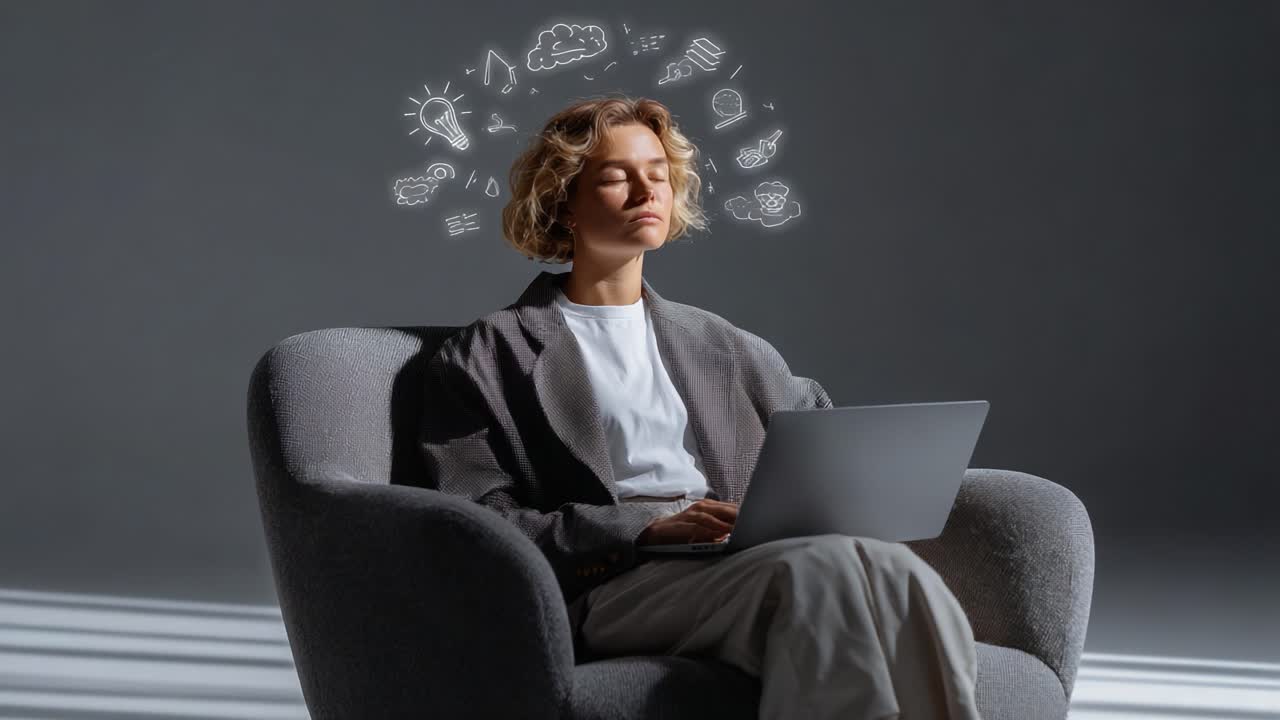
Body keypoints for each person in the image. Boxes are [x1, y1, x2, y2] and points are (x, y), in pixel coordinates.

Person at [418, 95, 982, 719]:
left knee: (895, 568)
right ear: (564, 203)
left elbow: (817, 438)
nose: (646, 192)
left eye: (658, 175)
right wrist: (642, 526)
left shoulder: (725, 345)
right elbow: (475, 522)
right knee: (816, 572)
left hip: (733, 558)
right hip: (614, 581)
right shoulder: (488, 354)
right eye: (616, 177)